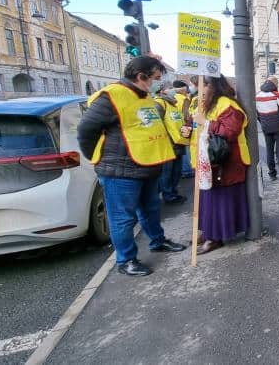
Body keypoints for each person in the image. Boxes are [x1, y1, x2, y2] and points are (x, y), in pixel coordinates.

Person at [77, 56, 186, 277]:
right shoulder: (111, 96)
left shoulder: (144, 95)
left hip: (147, 165)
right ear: (141, 76)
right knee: (123, 218)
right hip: (120, 171)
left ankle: (157, 241)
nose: (158, 82)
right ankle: (126, 260)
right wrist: (98, 158)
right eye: (156, 78)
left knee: (151, 209)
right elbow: (86, 130)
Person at [183, 75, 252, 254]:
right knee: (207, 199)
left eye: (202, 86)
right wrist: (187, 130)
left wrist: (205, 123)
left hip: (225, 162)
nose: (199, 90)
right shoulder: (204, 103)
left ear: (212, 85)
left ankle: (216, 236)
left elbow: (230, 131)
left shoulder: (227, 104)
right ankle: (208, 232)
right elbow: (195, 126)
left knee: (218, 200)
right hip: (207, 161)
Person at [153, 83, 190, 204]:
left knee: (176, 172)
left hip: (177, 143)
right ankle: (168, 195)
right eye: (169, 88)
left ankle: (173, 193)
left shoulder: (172, 104)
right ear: (162, 91)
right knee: (166, 173)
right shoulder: (159, 103)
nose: (173, 90)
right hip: (168, 145)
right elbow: (156, 125)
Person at [256, 78, 279, 181]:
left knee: (269, 150)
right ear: (275, 84)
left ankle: (272, 174)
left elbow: (257, 113)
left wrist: (263, 121)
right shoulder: (276, 95)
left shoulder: (257, 96)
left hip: (266, 127)